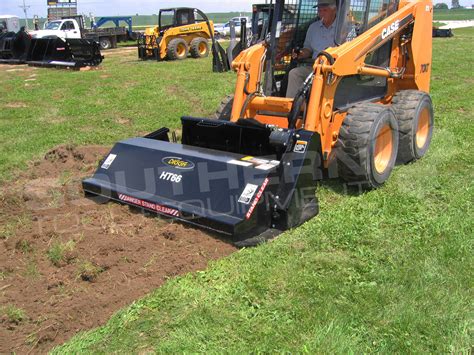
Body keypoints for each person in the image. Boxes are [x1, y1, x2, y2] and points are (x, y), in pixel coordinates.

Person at [286, 0, 338, 98]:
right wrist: (301, 53)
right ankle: (292, 109)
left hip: (335, 70)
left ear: (334, 10)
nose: (321, 13)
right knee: (294, 73)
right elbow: (308, 49)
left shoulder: (345, 28)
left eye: (324, 10)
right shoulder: (313, 28)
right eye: (319, 10)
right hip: (314, 67)